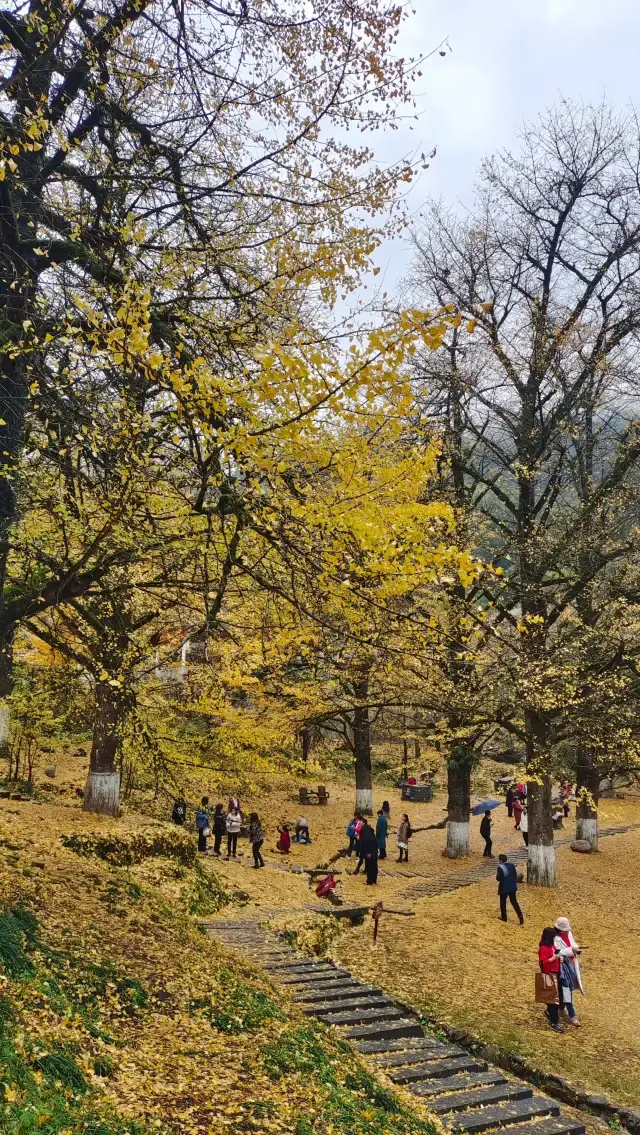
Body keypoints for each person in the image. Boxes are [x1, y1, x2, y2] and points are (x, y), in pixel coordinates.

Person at [554, 917, 584, 1026]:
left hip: (570, 964)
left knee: (566, 988)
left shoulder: (568, 934)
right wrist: (572, 950)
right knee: (566, 988)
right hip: (562, 967)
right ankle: (572, 1014)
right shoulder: (555, 938)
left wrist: (576, 948)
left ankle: (561, 1008)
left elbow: (572, 943)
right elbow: (557, 951)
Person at [538, 927, 563, 1032]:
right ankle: (554, 1022)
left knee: (557, 999)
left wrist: (559, 958)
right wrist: (553, 959)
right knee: (553, 1002)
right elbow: (543, 963)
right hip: (549, 974)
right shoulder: (543, 948)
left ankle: (552, 1016)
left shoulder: (552, 946)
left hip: (556, 973)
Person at [496, 854, 524, 924]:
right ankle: (520, 917)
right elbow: (515, 875)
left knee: (503, 902)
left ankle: (504, 917)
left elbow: (498, 878)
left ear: (501, 861)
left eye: (499, 860)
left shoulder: (500, 867)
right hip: (512, 887)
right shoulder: (512, 865)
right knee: (514, 902)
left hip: (504, 888)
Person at [358, 819, 378, 885]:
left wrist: (363, 852)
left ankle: (369, 881)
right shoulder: (371, 832)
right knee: (374, 865)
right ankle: (374, 881)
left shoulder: (363, 831)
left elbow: (362, 843)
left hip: (368, 850)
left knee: (369, 865)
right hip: (374, 850)